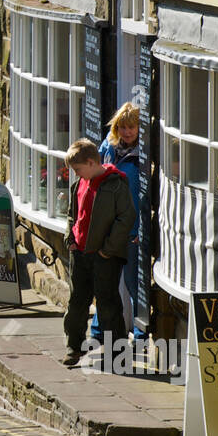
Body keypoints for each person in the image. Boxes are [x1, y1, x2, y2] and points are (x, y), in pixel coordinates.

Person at [62, 138, 136, 367]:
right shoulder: (79, 185)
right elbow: (72, 214)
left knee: (108, 304)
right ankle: (74, 347)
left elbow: (126, 217)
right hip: (80, 253)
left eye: (78, 169)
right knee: (76, 303)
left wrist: (108, 249)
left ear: (92, 162)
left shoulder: (116, 185)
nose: (75, 174)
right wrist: (70, 239)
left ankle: (118, 354)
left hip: (105, 256)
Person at [91, 102, 144, 341]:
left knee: (134, 283)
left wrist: (141, 227)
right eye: (122, 127)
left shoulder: (144, 154)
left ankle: (141, 333)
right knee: (106, 282)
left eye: (131, 127)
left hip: (132, 228)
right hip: (109, 227)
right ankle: (99, 331)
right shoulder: (108, 147)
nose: (127, 132)